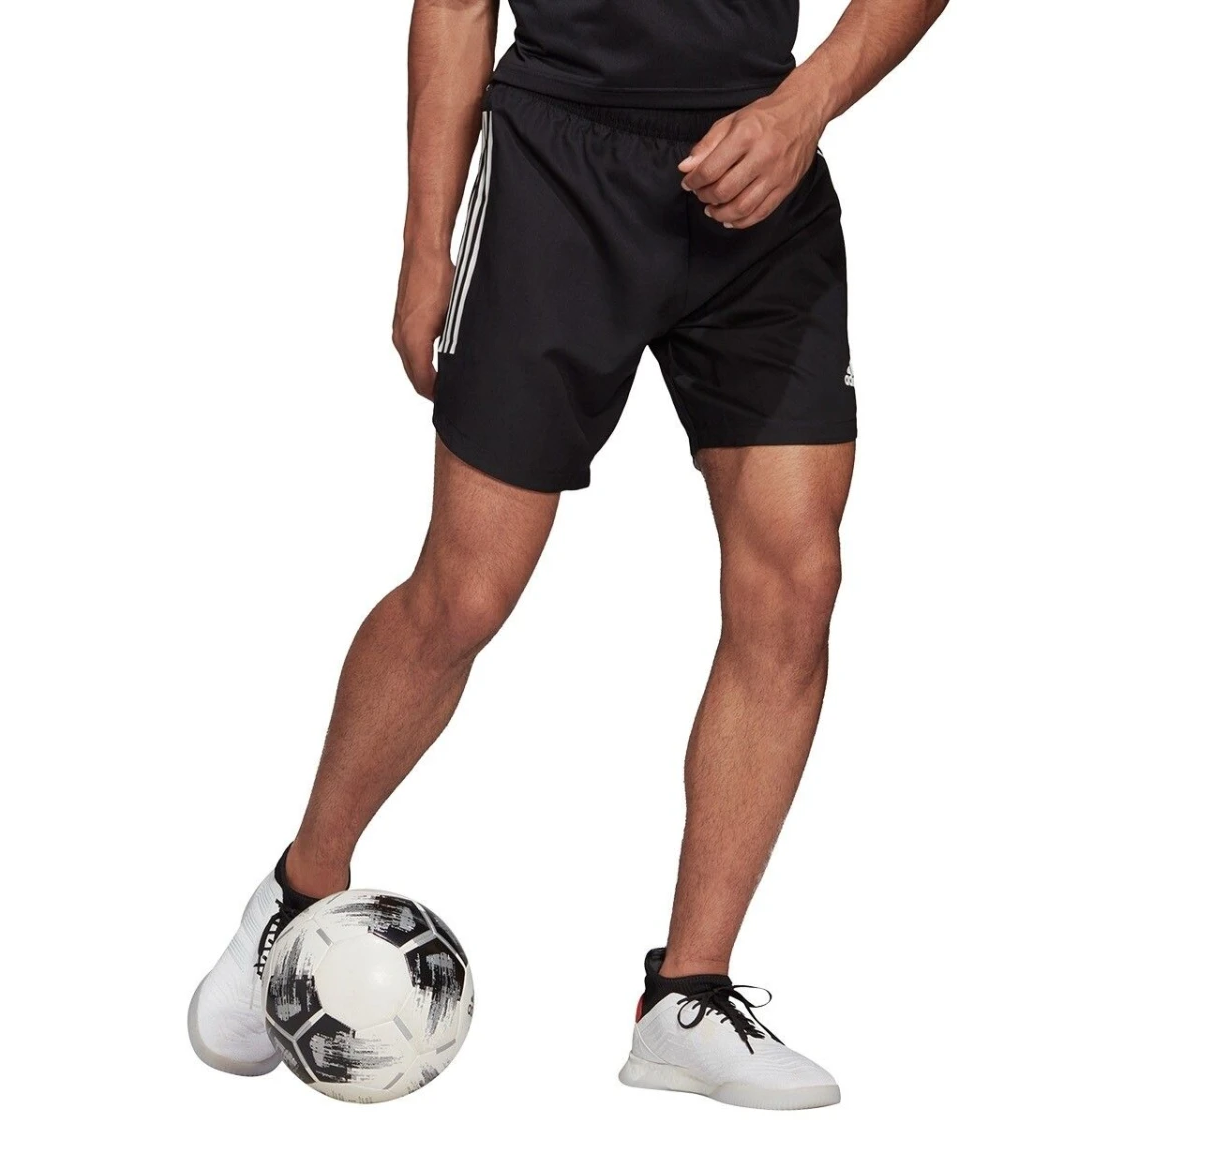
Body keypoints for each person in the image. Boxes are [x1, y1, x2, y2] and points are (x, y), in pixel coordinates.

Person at [189, 0, 949, 1110]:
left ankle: (686, 998)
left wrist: (805, 107)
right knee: (467, 590)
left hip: (759, 174)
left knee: (797, 584)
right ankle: (297, 895)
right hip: (559, 174)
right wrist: (425, 242)